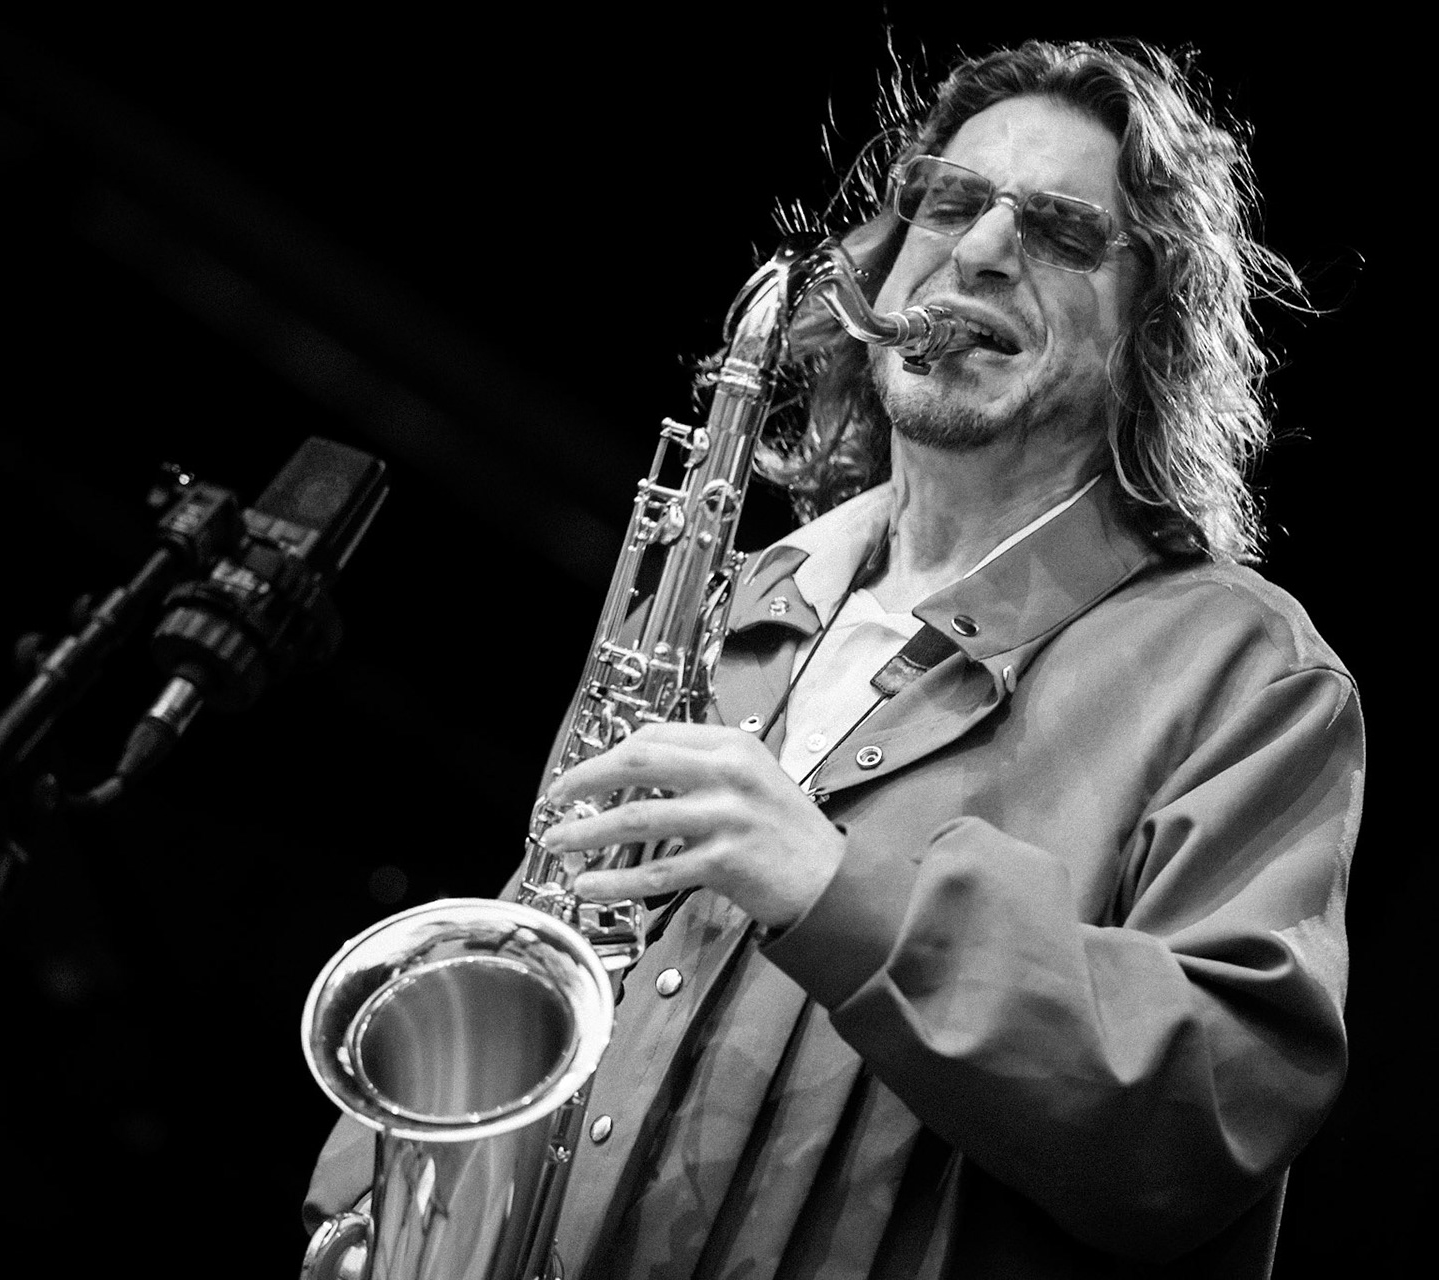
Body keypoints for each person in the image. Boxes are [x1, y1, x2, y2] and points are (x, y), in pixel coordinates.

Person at [307, 39, 1362, 1279]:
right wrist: (376, 1198)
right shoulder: (736, 601)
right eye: (951, 204)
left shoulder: (1243, 667)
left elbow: (1208, 1117)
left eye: (1064, 233)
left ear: (1155, 325)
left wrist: (833, 885)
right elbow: (540, 948)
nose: (976, 252)